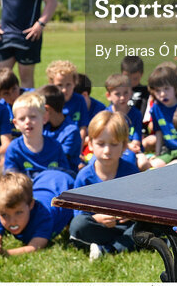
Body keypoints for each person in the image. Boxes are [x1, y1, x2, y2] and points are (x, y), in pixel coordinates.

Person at [68, 111, 140, 259]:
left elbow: (142, 203)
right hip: (98, 227)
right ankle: (115, 246)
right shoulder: (85, 177)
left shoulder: (131, 171)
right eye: (101, 144)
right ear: (91, 144)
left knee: (147, 227)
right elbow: (79, 213)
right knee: (77, 225)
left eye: (114, 144)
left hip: (127, 227)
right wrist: (97, 218)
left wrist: (131, 213)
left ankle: (106, 249)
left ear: (124, 146)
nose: (107, 151)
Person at [0, 170, 74, 260]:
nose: (12, 221)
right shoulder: (0, 208)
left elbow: (35, 246)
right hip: (43, 178)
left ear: (31, 205)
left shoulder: (44, 216)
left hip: (67, 184)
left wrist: (4, 253)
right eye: (5, 215)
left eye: (18, 213)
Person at [2, 92, 70, 179]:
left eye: (33, 117)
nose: (27, 122)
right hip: (26, 191)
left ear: (44, 118)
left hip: (51, 189)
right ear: (16, 123)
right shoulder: (14, 149)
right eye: (22, 119)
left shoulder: (55, 147)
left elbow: (65, 175)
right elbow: (10, 180)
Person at [141, 63, 177, 167]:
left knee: (172, 167)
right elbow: (159, 132)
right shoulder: (156, 108)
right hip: (169, 151)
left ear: (175, 87)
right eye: (158, 90)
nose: (162, 94)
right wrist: (157, 155)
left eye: (166, 88)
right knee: (150, 167)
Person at [37, 85, 82, 174]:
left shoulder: (71, 132)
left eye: (37, 109)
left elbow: (58, 159)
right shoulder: (44, 126)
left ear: (46, 109)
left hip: (65, 177)